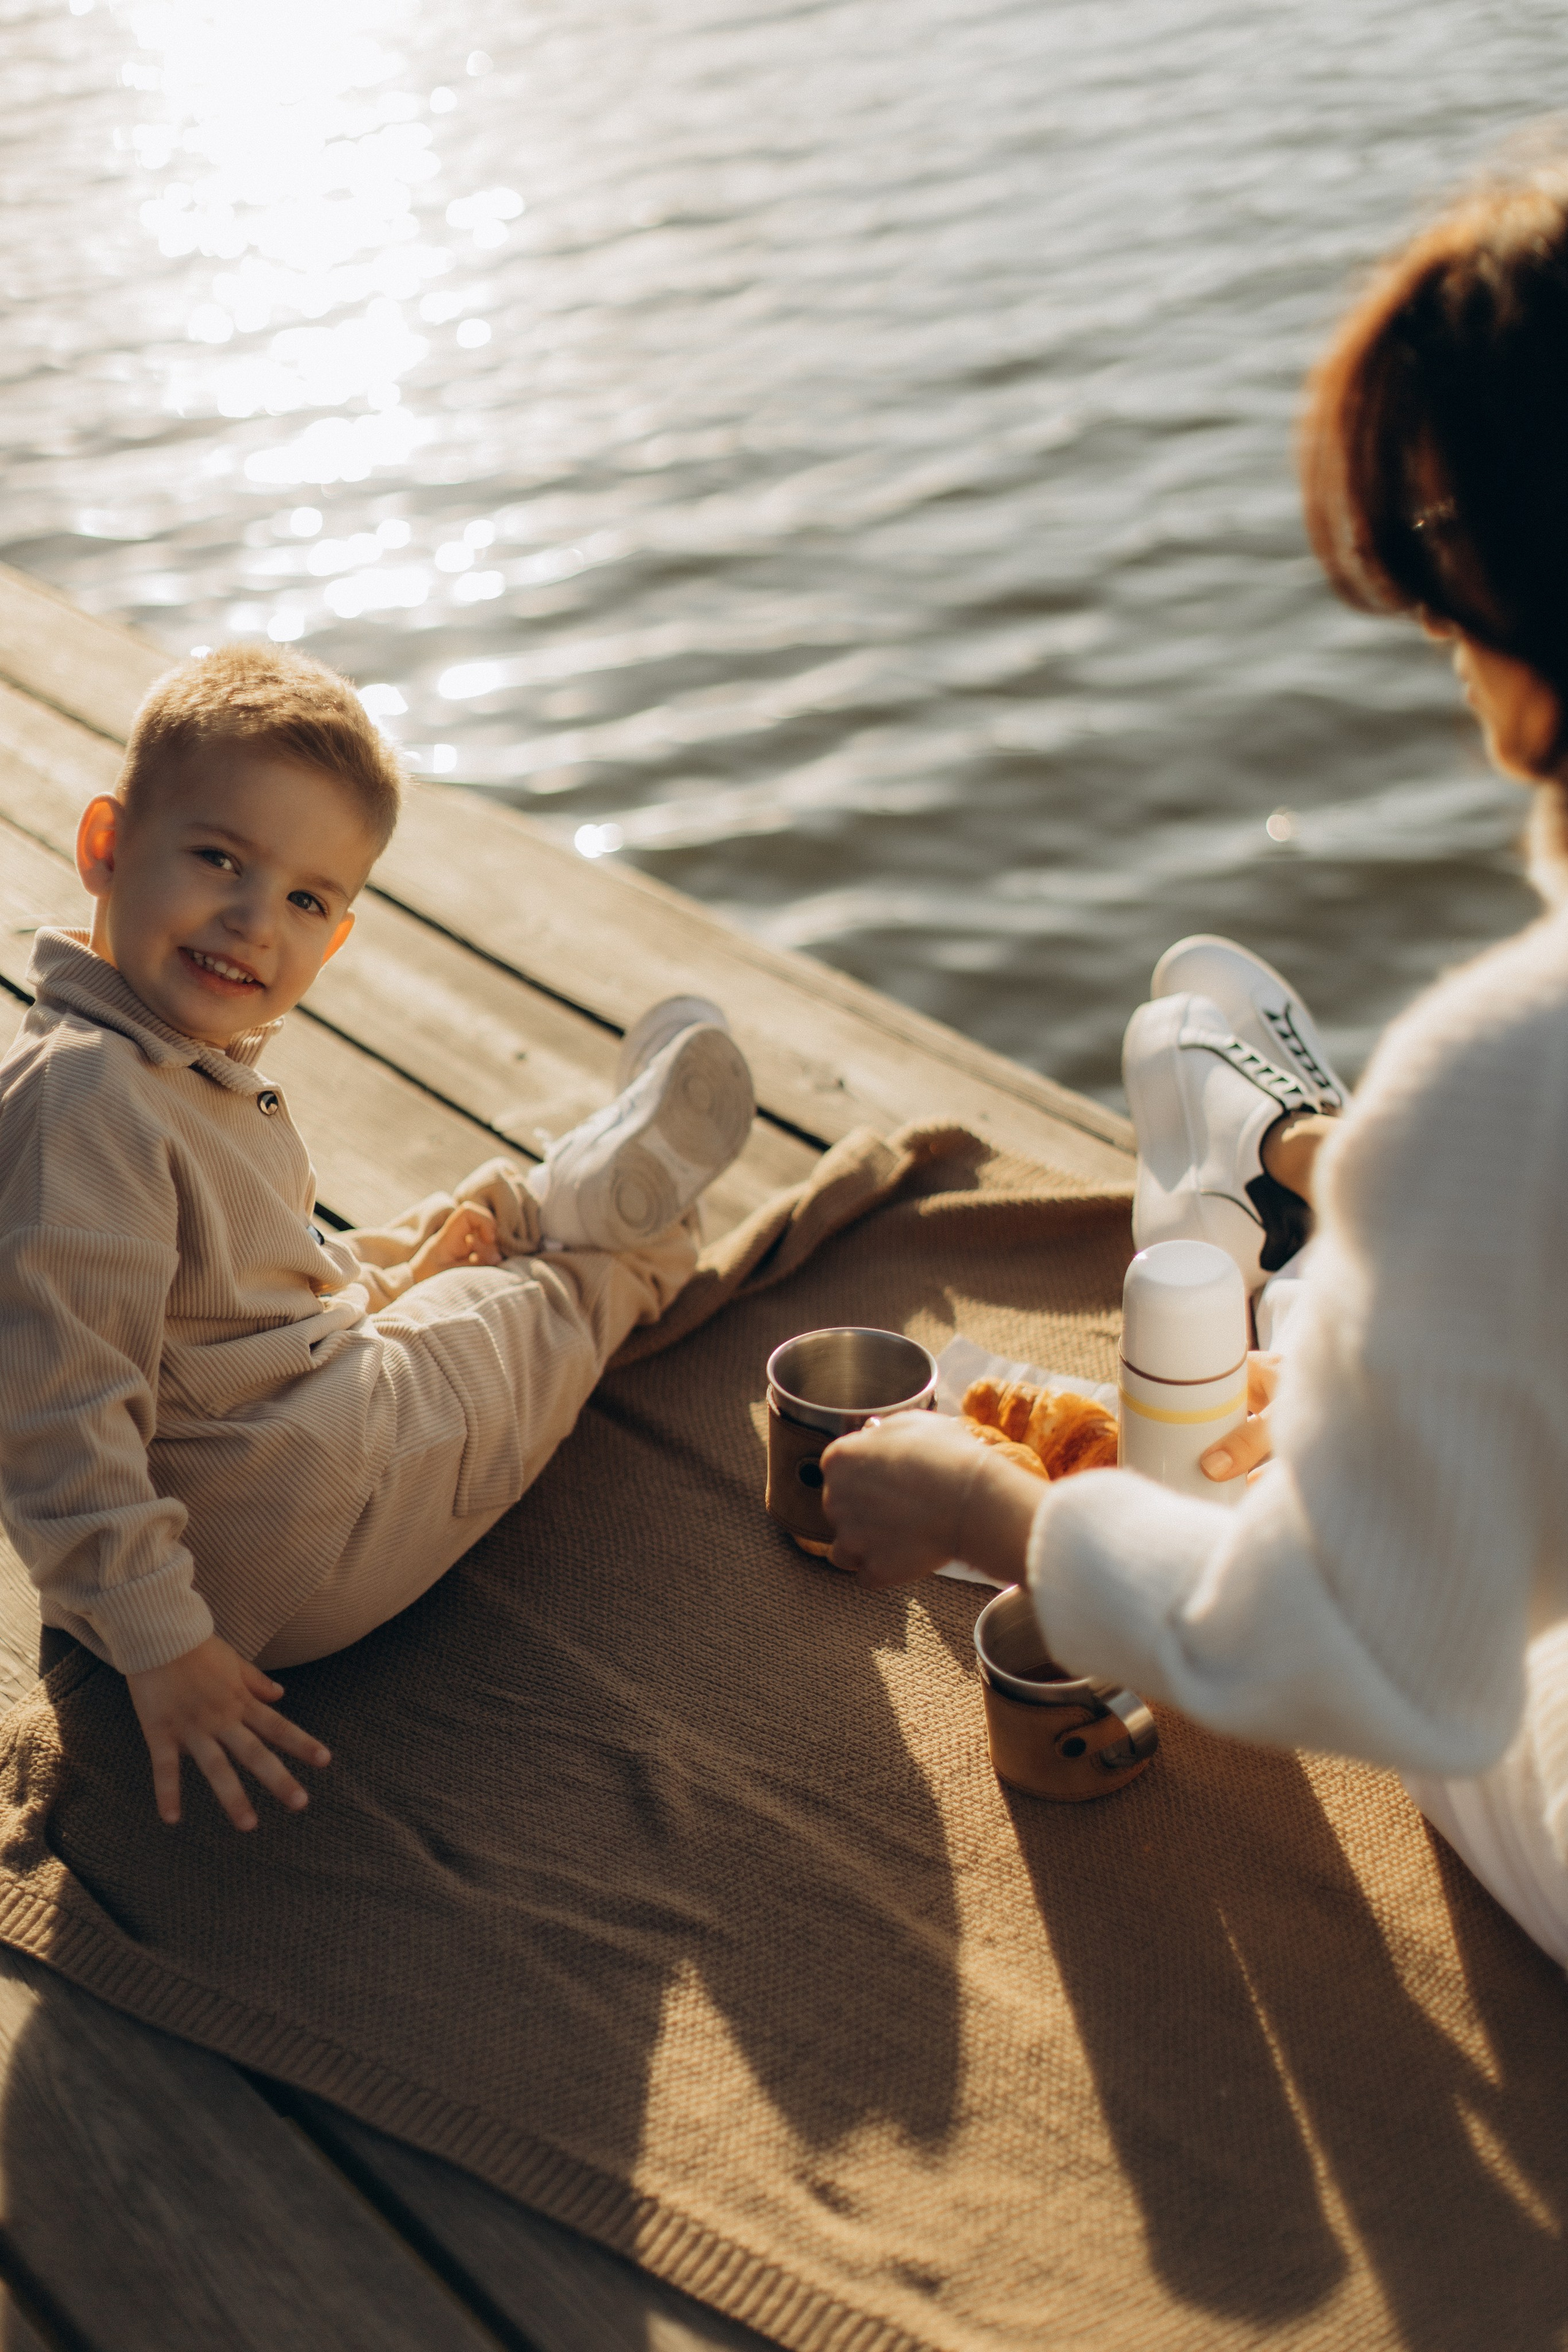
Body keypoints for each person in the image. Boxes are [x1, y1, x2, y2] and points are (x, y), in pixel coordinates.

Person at [820, 165, 1568, 1969]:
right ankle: (1293, 1172)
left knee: (1301, 1481)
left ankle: (1266, 1221)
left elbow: (1381, 1669)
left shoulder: (1515, 1075)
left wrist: (999, 1511)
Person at [0, 644, 755, 1835]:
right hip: (288, 1532)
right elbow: (53, 1406)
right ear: (106, 845)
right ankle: (627, 1248)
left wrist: (391, 1278)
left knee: (410, 1246)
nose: (254, 921)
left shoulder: (144, 1070)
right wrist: (167, 1647)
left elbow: (234, 1304)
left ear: (337, 937)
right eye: (219, 859)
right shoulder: (90, 1102)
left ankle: (535, 1207)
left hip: (245, 1452)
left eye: (306, 900)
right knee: (522, 1322)